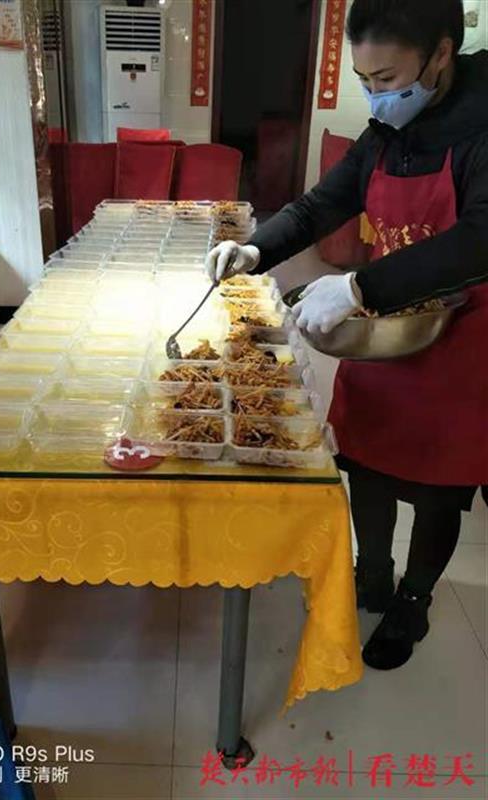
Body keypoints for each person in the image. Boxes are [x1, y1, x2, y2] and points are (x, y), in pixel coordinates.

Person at [205, 0, 488, 670]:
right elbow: (322, 205)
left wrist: (359, 287)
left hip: (459, 341)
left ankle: (413, 600)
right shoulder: (390, 130)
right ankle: (374, 571)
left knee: (438, 486)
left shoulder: (481, 127)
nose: (377, 96)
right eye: (365, 81)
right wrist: (256, 250)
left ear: (441, 54)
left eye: (388, 78)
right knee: (367, 462)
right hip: (381, 337)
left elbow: (480, 236)